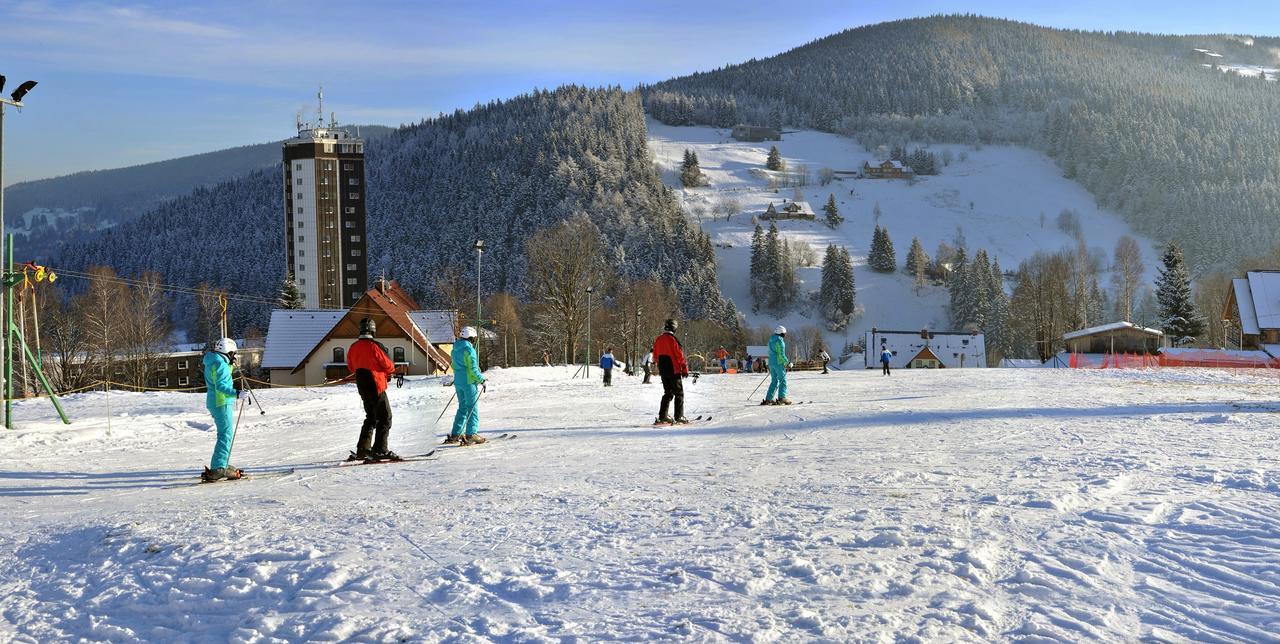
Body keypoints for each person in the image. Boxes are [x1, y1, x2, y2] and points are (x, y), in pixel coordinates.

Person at [346, 318, 400, 461]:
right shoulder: (375, 346)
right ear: (373, 330)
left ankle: (363, 449)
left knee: (370, 417)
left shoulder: (353, 347)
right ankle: (380, 450)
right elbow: (389, 365)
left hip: (362, 385)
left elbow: (351, 367)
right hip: (376, 385)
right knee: (385, 417)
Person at [201, 338, 243, 481]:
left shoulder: (214, 360)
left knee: (224, 434)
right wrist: (237, 393)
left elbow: (218, 378)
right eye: (233, 353)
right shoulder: (220, 364)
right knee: (225, 435)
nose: (234, 356)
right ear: (228, 351)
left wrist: (229, 365)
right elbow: (221, 386)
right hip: (221, 401)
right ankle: (219, 467)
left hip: (215, 401)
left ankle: (221, 463)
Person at [447, 326, 488, 445]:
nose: (474, 340)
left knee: (463, 407)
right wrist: (481, 380)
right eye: (474, 338)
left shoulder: (455, 349)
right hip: (469, 382)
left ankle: (456, 433)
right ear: (471, 338)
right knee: (472, 407)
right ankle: (471, 434)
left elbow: (454, 365)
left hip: (458, 381)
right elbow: (473, 369)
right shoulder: (469, 350)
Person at [652, 318, 689, 424]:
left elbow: (655, 356)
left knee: (667, 393)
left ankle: (662, 416)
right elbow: (679, 356)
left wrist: (662, 366)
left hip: (663, 371)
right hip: (674, 370)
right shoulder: (673, 339)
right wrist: (684, 369)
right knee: (679, 393)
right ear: (674, 328)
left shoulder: (658, 339)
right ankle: (679, 416)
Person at [763, 325, 792, 405]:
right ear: (781, 333)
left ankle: (768, 399)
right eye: (784, 333)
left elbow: (769, 352)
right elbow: (781, 355)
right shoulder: (780, 341)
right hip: (778, 363)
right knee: (782, 380)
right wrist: (788, 363)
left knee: (774, 381)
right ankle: (782, 397)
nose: (785, 335)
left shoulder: (771, 340)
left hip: (771, 363)